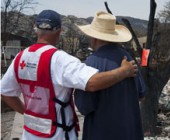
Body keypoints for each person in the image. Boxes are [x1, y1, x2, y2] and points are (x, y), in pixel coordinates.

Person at [0, 10, 138, 140]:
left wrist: (29, 113)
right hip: (58, 134)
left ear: (35, 29)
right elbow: (91, 83)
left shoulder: (20, 58)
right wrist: (123, 71)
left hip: (29, 134)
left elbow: (5, 93)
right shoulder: (60, 60)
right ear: (59, 31)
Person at [75, 11, 146, 140]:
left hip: (100, 133)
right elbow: (141, 95)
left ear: (94, 38)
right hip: (129, 133)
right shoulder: (129, 59)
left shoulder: (91, 62)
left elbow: (84, 106)